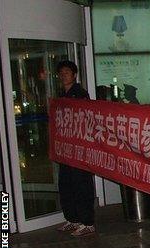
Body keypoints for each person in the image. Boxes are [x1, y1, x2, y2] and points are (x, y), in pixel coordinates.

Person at [55, 60, 96, 237]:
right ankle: (73, 219)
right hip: (65, 150)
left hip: (78, 150)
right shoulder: (60, 96)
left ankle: (87, 222)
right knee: (66, 185)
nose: (64, 75)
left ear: (74, 75)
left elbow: (86, 121)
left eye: (67, 72)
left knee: (81, 185)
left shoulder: (80, 94)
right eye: (61, 73)